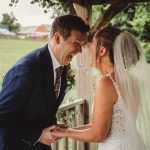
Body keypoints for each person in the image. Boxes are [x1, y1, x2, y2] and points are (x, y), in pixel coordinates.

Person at [0, 15, 90, 150]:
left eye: (82, 45)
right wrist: (38, 135)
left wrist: (53, 127)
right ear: (58, 38)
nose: (80, 50)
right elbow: (2, 117)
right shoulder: (25, 70)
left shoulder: (62, 67)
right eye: (76, 44)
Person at [52, 27, 150, 150]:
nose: (87, 48)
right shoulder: (131, 79)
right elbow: (103, 126)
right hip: (134, 143)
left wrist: (65, 133)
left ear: (102, 51)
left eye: (92, 42)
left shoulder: (106, 83)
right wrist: (70, 129)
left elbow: (98, 134)